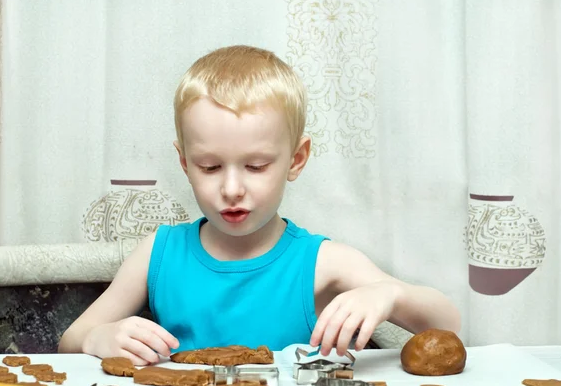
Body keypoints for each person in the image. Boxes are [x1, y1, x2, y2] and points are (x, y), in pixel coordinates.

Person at [58, 45, 461, 365]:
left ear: (296, 160)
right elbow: (69, 343)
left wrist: (389, 294)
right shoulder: (158, 253)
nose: (232, 189)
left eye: (255, 166)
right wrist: (99, 337)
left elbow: (449, 325)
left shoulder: (322, 261)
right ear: (184, 163)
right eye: (210, 166)